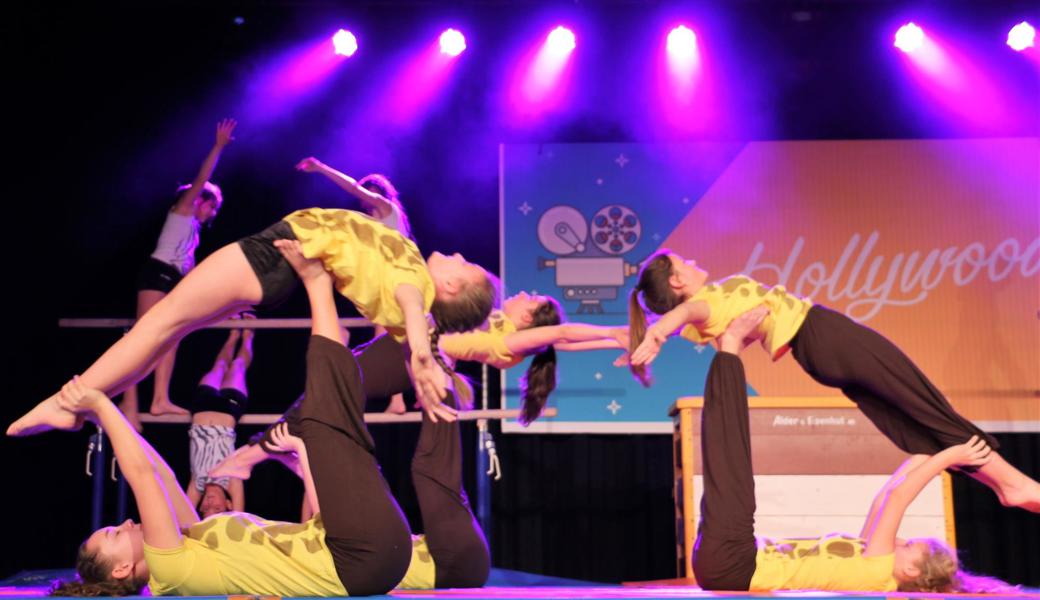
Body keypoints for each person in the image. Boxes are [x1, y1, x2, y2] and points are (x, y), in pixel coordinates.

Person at [45, 236, 439, 597]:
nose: (127, 523)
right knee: (320, 409)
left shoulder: (189, 537)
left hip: (363, 548)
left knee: (330, 400)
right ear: (122, 570)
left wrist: (101, 419)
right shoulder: (172, 572)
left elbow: (160, 473)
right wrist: (101, 402)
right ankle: (322, 286)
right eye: (116, 534)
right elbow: (141, 475)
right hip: (358, 560)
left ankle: (429, 337)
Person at [8, 204, 497, 438]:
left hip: (270, 256)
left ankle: (65, 401)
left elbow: (413, 311)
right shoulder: (414, 293)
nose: (458, 253)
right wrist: (428, 361)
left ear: (451, 287)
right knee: (167, 332)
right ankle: (82, 404)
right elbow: (420, 329)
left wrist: (423, 356)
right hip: (276, 268)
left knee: (157, 324)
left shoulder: (414, 279)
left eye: (464, 263)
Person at [626, 250, 1040, 512]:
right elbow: (682, 314)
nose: (693, 261)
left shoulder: (714, 304)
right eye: (684, 262)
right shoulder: (704, 304)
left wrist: (628, 337)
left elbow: (659, 326)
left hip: (819, 352)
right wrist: (657, 333)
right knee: (923, 403)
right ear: (677, 281)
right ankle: (1015, 483)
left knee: (910, 420)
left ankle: (1001, 484)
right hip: (822, 335)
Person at [691, 307, 1019, 593]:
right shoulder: (867, 561)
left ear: (910, 571)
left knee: (730, 460)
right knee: (731, 466)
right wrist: (928, 449)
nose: (900, 539)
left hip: (735, 564)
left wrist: (950, 456)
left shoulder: (879, 571)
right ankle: (729, 350)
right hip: (732, 563)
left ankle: (730, 348)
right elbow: (884, 497)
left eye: (909, 545)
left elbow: (898, 498)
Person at [122, 118, 237, 426]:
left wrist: (226, 306)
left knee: (171, 337)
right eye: (211, 206)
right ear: (199, 200)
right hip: (157, 273)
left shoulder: (193, 233)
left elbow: (194, 274)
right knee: (143, 337)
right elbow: (201, 178)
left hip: (173, 279)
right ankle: (127, 398)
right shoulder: (182, 211)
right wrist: (218, 147)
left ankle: (160, 399)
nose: (213, 213)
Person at [185, 314, 256, 518]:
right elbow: (239, 519)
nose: (209, 504)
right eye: (217, 508)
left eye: (205, 509)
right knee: (237, 366)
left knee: (219, 367)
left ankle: (233, 335)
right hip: (228, 410)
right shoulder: (231, 478)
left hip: (201, 407)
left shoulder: (197, 484)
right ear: (228, 503)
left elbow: (184, 518)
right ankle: (248, 335)